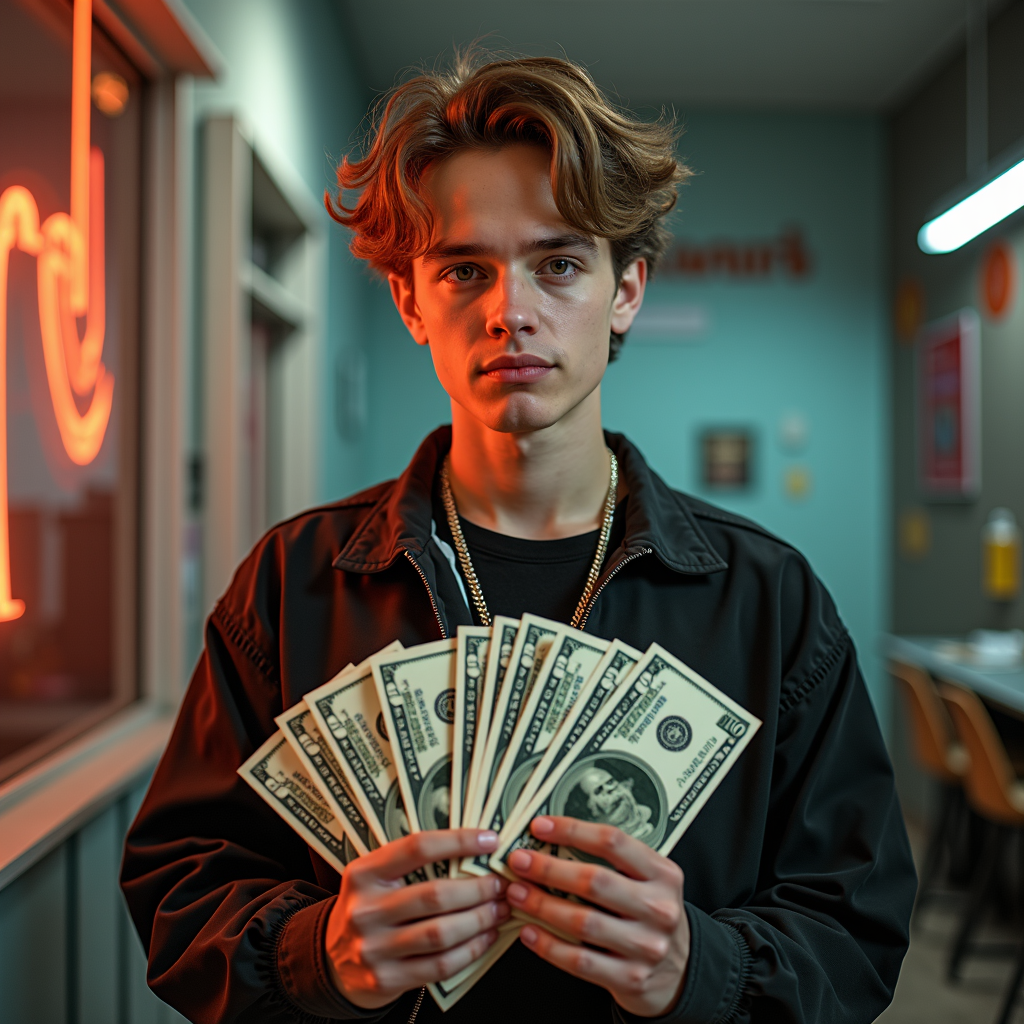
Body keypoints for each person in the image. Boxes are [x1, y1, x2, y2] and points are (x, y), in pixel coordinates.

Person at [121, 54, 916, 1023]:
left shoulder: (770, 599)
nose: (510, 311)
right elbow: (178, 886)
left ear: (625, 290)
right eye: (464, 269)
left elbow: (858, 925)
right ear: (410, 300)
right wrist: (315, 953)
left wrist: (697, 966)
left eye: (559, 263)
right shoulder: (291, 585)